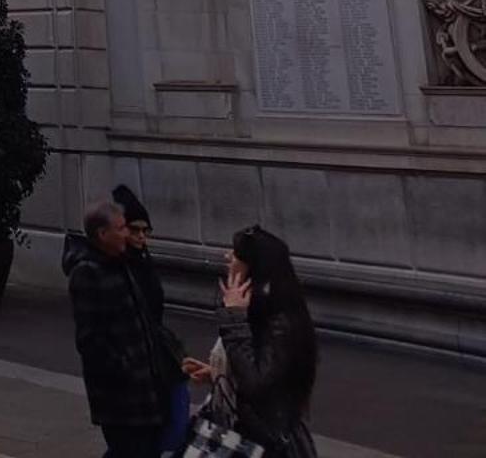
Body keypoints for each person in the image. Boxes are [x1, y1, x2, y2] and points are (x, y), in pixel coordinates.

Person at [184, 226, 319, 458]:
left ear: (252, 266)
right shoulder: (254, 309)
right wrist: (217, 373)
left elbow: (257, 384)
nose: (227, 256)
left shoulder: (279, 320)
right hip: (234, 432)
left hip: (260, 443)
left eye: (236, 254)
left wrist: (235, 320)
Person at [63, 199, 178, 458]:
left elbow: (148, 315)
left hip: (146, 389)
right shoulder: (88, 273)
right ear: (103, 234)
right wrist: (124, 369)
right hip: (122, 398)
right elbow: (90, 339)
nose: (128, 233)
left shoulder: (123, 264)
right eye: (122, 228)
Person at [112, 184, 187, 456]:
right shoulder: (115, 268)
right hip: (136, 363)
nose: (141, 237)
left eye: (146, 231)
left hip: (154, 354)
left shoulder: (142, 262)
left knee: (168, 428)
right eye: (135, 230)